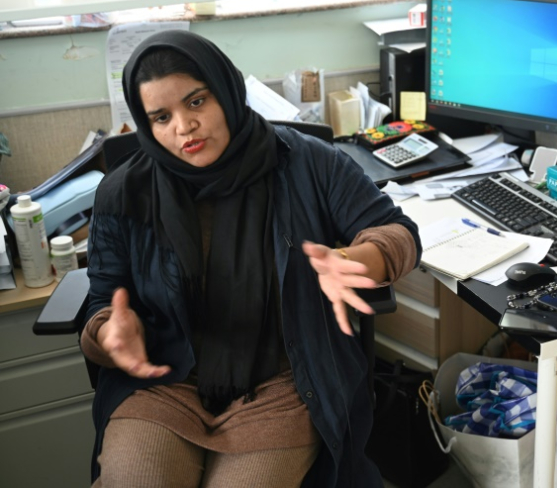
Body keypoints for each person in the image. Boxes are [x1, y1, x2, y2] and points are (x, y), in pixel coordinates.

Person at [80, 30, 421, 488]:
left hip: (283, 383)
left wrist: (363, 260)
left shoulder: (308, 163)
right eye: (161, 117)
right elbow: (102, 300)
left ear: (225, 90)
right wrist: (109, 332)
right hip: (163, 383)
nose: (183, 127)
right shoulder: (123, 192)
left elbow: (398, 232)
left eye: (196, 102)